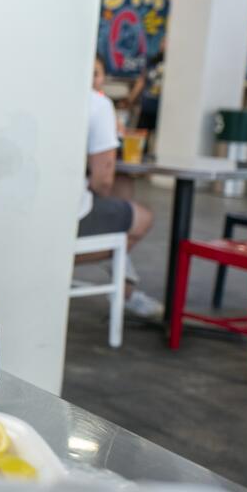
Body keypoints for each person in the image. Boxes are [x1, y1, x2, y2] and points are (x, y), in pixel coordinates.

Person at [79, 57, 162, 319]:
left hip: (25, 209)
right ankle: (125, 290)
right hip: (69, 220)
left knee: (116, 204)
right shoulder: (98, 104)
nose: (93, 79)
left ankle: (126, 289)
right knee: (139, 217)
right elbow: (104, 177)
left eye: (97, 73)